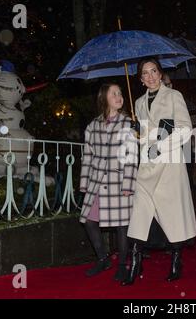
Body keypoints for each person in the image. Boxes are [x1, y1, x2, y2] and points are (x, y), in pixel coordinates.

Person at [122, 57, 196, 285]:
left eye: (154, 71)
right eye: (145, 73)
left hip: (169, 167)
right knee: (140, 213)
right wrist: (138, 130)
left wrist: (160, 146)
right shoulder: (138, 102)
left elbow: (185, 129)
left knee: (172, 216)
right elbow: (146, 134)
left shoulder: (174, 97)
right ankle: (135, 262)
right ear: (141, 79)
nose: (150, 76)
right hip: (147, 166)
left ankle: (176, 259)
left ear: (160, 73)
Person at [79, 83, 138, 282]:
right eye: (114, 93)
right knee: (88, 220)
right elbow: (87, 156)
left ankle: (122, 264)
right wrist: (84, 182)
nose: (119, 96)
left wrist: (128, 185)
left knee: (122, 226)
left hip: (118, 181)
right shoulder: (93, 126)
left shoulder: (127, 123)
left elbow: (131, 156)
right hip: (96, 180)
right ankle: (103, 258)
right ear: (104, 98)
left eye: (120, 93)